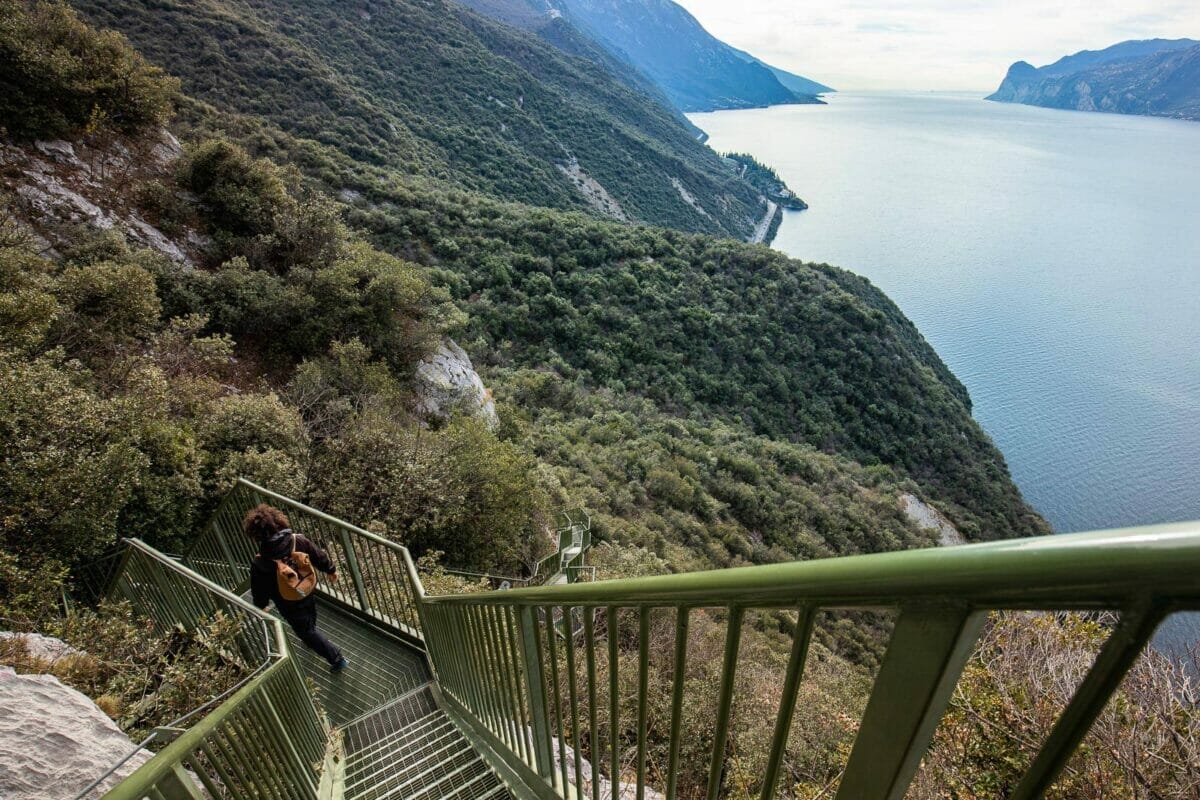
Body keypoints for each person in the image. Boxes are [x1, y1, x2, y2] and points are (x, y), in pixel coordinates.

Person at [244, 503, 349, 672]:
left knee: (305, 630)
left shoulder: (260, 561)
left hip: (286, 601)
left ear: (255, 535)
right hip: (306, 588)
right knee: (309, 613)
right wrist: (330, 570)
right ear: (279, 522)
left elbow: (258, 587)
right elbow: (317, 555)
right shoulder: (297, 540)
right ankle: (310, 635)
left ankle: (336, 658)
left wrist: (261, 604)